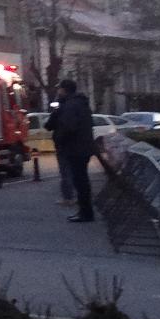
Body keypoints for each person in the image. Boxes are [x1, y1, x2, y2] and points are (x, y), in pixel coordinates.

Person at [46, 79, 95, 222]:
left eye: (59, 89)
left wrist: (59, 139)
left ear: (64, 90)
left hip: (75, 148)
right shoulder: (80, 103)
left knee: (79, 181)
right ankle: (85, 211)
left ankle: (85, 212)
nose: (58, 92)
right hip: (83, 147)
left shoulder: (70, 106)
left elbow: (68, 127)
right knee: (81, 180)